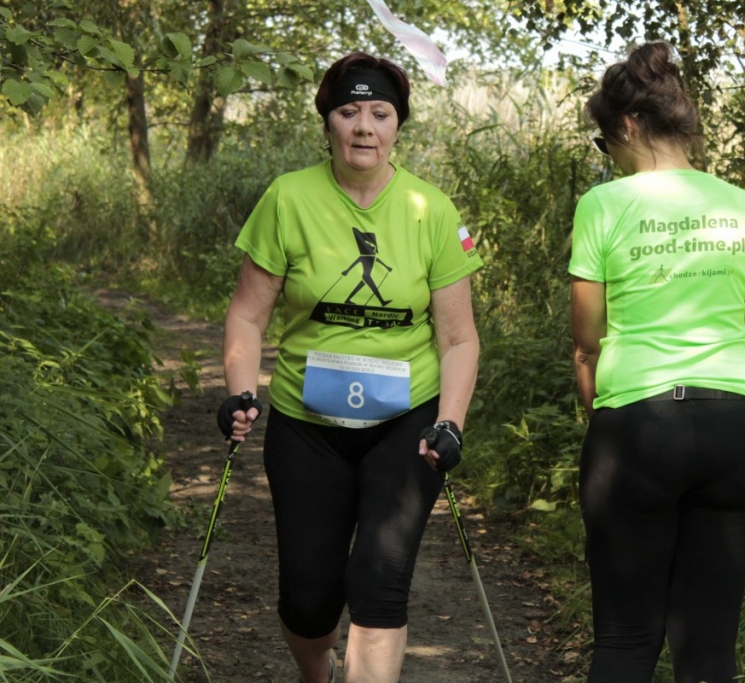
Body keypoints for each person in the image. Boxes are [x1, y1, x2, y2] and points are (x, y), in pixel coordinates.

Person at [219, 52, 483, 683]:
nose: (364, 126)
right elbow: (247, 317)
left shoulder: (431, 209)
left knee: (379, 581)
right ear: (327, 122)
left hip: (406, 423)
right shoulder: (289, 198)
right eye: (349, 111)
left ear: (398, 125)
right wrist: (240, 393)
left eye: (380, 113)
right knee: (308, 600)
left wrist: (450, 423)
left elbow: (458, 338)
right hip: (307, 425)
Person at [569, 42, 745, 683]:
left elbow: (586, 342)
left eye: (605, 143)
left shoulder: (603, 205)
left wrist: (606, 416)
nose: (609, 157)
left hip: (635, 428)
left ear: (627, 127)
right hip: (734, 428)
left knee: (625, 639)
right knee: (709, 648)